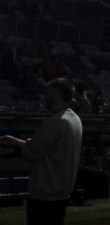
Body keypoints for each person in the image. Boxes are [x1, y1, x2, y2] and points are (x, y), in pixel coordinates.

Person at [0, 78, 83, 225]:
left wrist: (15, 142)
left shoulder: (54, 122)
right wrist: (14, 140)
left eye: (48, 94)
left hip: (45, 194)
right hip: (62, 193)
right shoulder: (75, 119)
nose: (45, 98)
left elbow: (33, 152)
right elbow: (46, 148)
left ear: (56, 95)